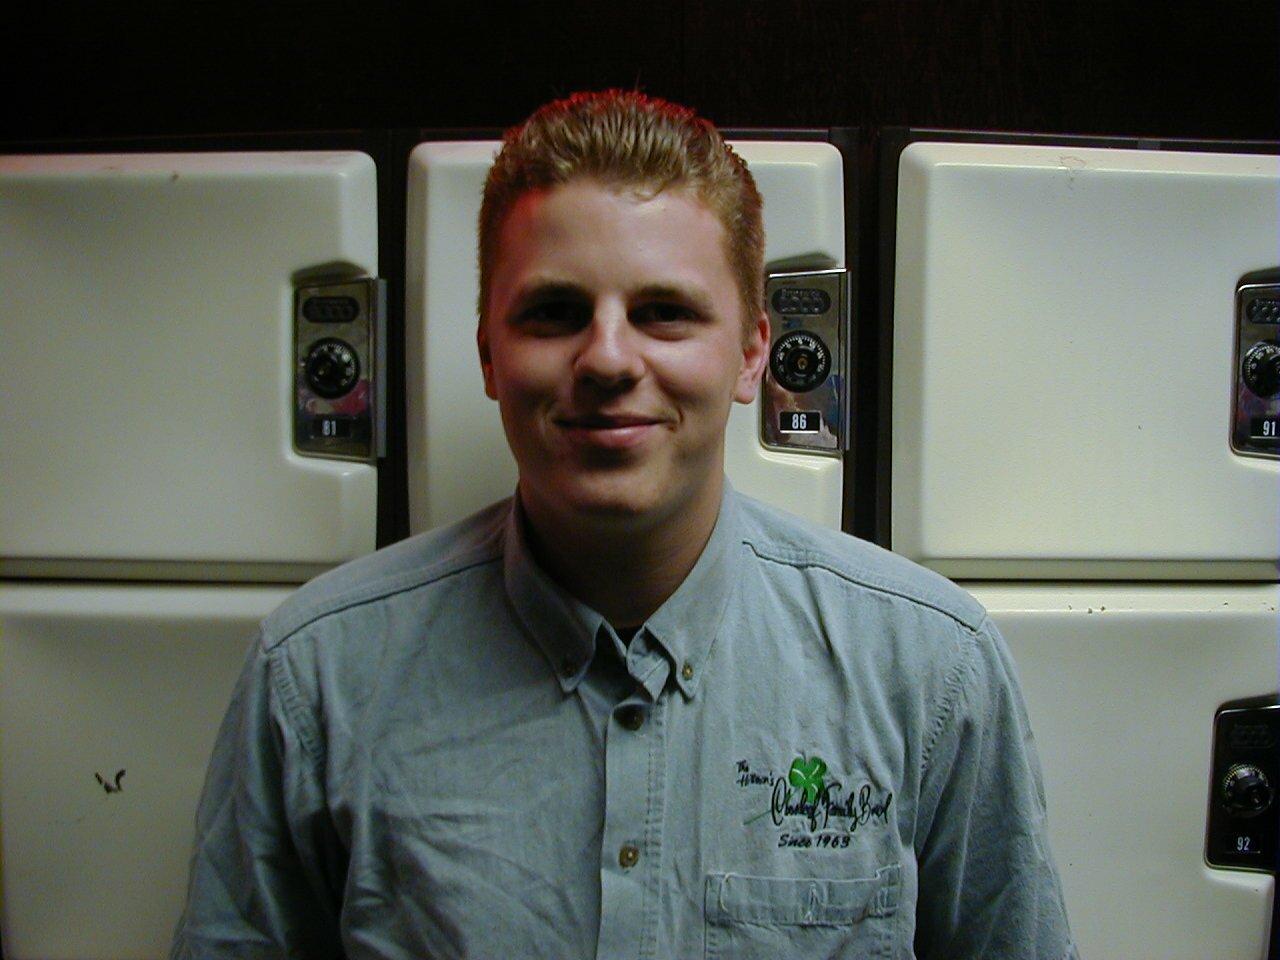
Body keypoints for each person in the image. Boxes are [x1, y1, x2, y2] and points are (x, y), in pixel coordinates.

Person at [171, 90, 1076, 959]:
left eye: (664, 312)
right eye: (555, 313)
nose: (607, 358)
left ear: (752, 353)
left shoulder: (929, 672)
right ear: (488, 353)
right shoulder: (317, 680)